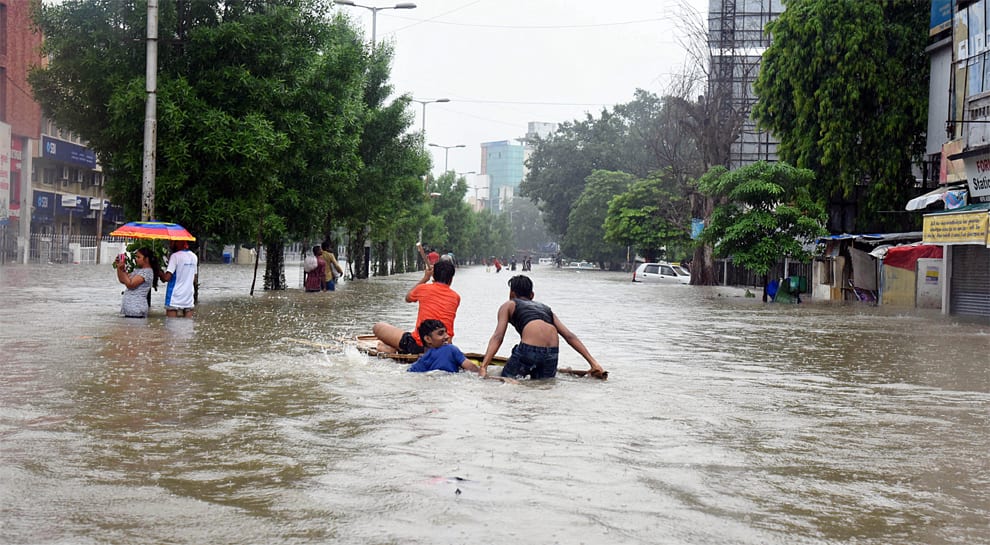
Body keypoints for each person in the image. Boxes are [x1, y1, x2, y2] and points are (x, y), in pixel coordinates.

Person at [479, 274, 604, 380]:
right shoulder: (546, 309)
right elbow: (569, 336)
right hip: (552, 353)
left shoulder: (509, 305)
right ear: (532, 295)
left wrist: (484, 367)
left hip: (529, 351)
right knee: (543, 385)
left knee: (506, 379)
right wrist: (594, 363)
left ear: (512, 294)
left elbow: (498, 336)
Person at [373, 260, 460, 355]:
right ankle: (395, 348)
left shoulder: (423, 288)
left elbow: (408, 298)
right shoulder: (456, 297)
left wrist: (425, 278)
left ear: (433, 276)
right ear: (451, 279)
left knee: (377, 327)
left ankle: (394, 349)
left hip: (420, 345)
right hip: (445, 345)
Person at [407, 319, 480, 373]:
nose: (447, 336)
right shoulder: (450, 349)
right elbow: (472, 368)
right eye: (441, 333)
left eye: (446, 332)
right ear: (428, 339)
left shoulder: (418, 363)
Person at [115, 247, 159, 318]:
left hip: (137, 309)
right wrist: (119, 267)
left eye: (138, 257)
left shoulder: (147, 272)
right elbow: (123, 280)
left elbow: (130, 284)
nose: (136, 259)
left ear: (146, 259)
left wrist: (122, 269)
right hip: (131, 310)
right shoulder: (137, 271)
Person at [158, 240, 198, 317]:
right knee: (188, 325)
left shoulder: (175, 256)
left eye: (172, 242)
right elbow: (194, 278)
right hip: (188, 296)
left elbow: (166, 278)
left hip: (174, 296)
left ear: (178, 243)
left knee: (171, 325)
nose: (170, 245)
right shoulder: (194, 256)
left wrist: (158, 271)